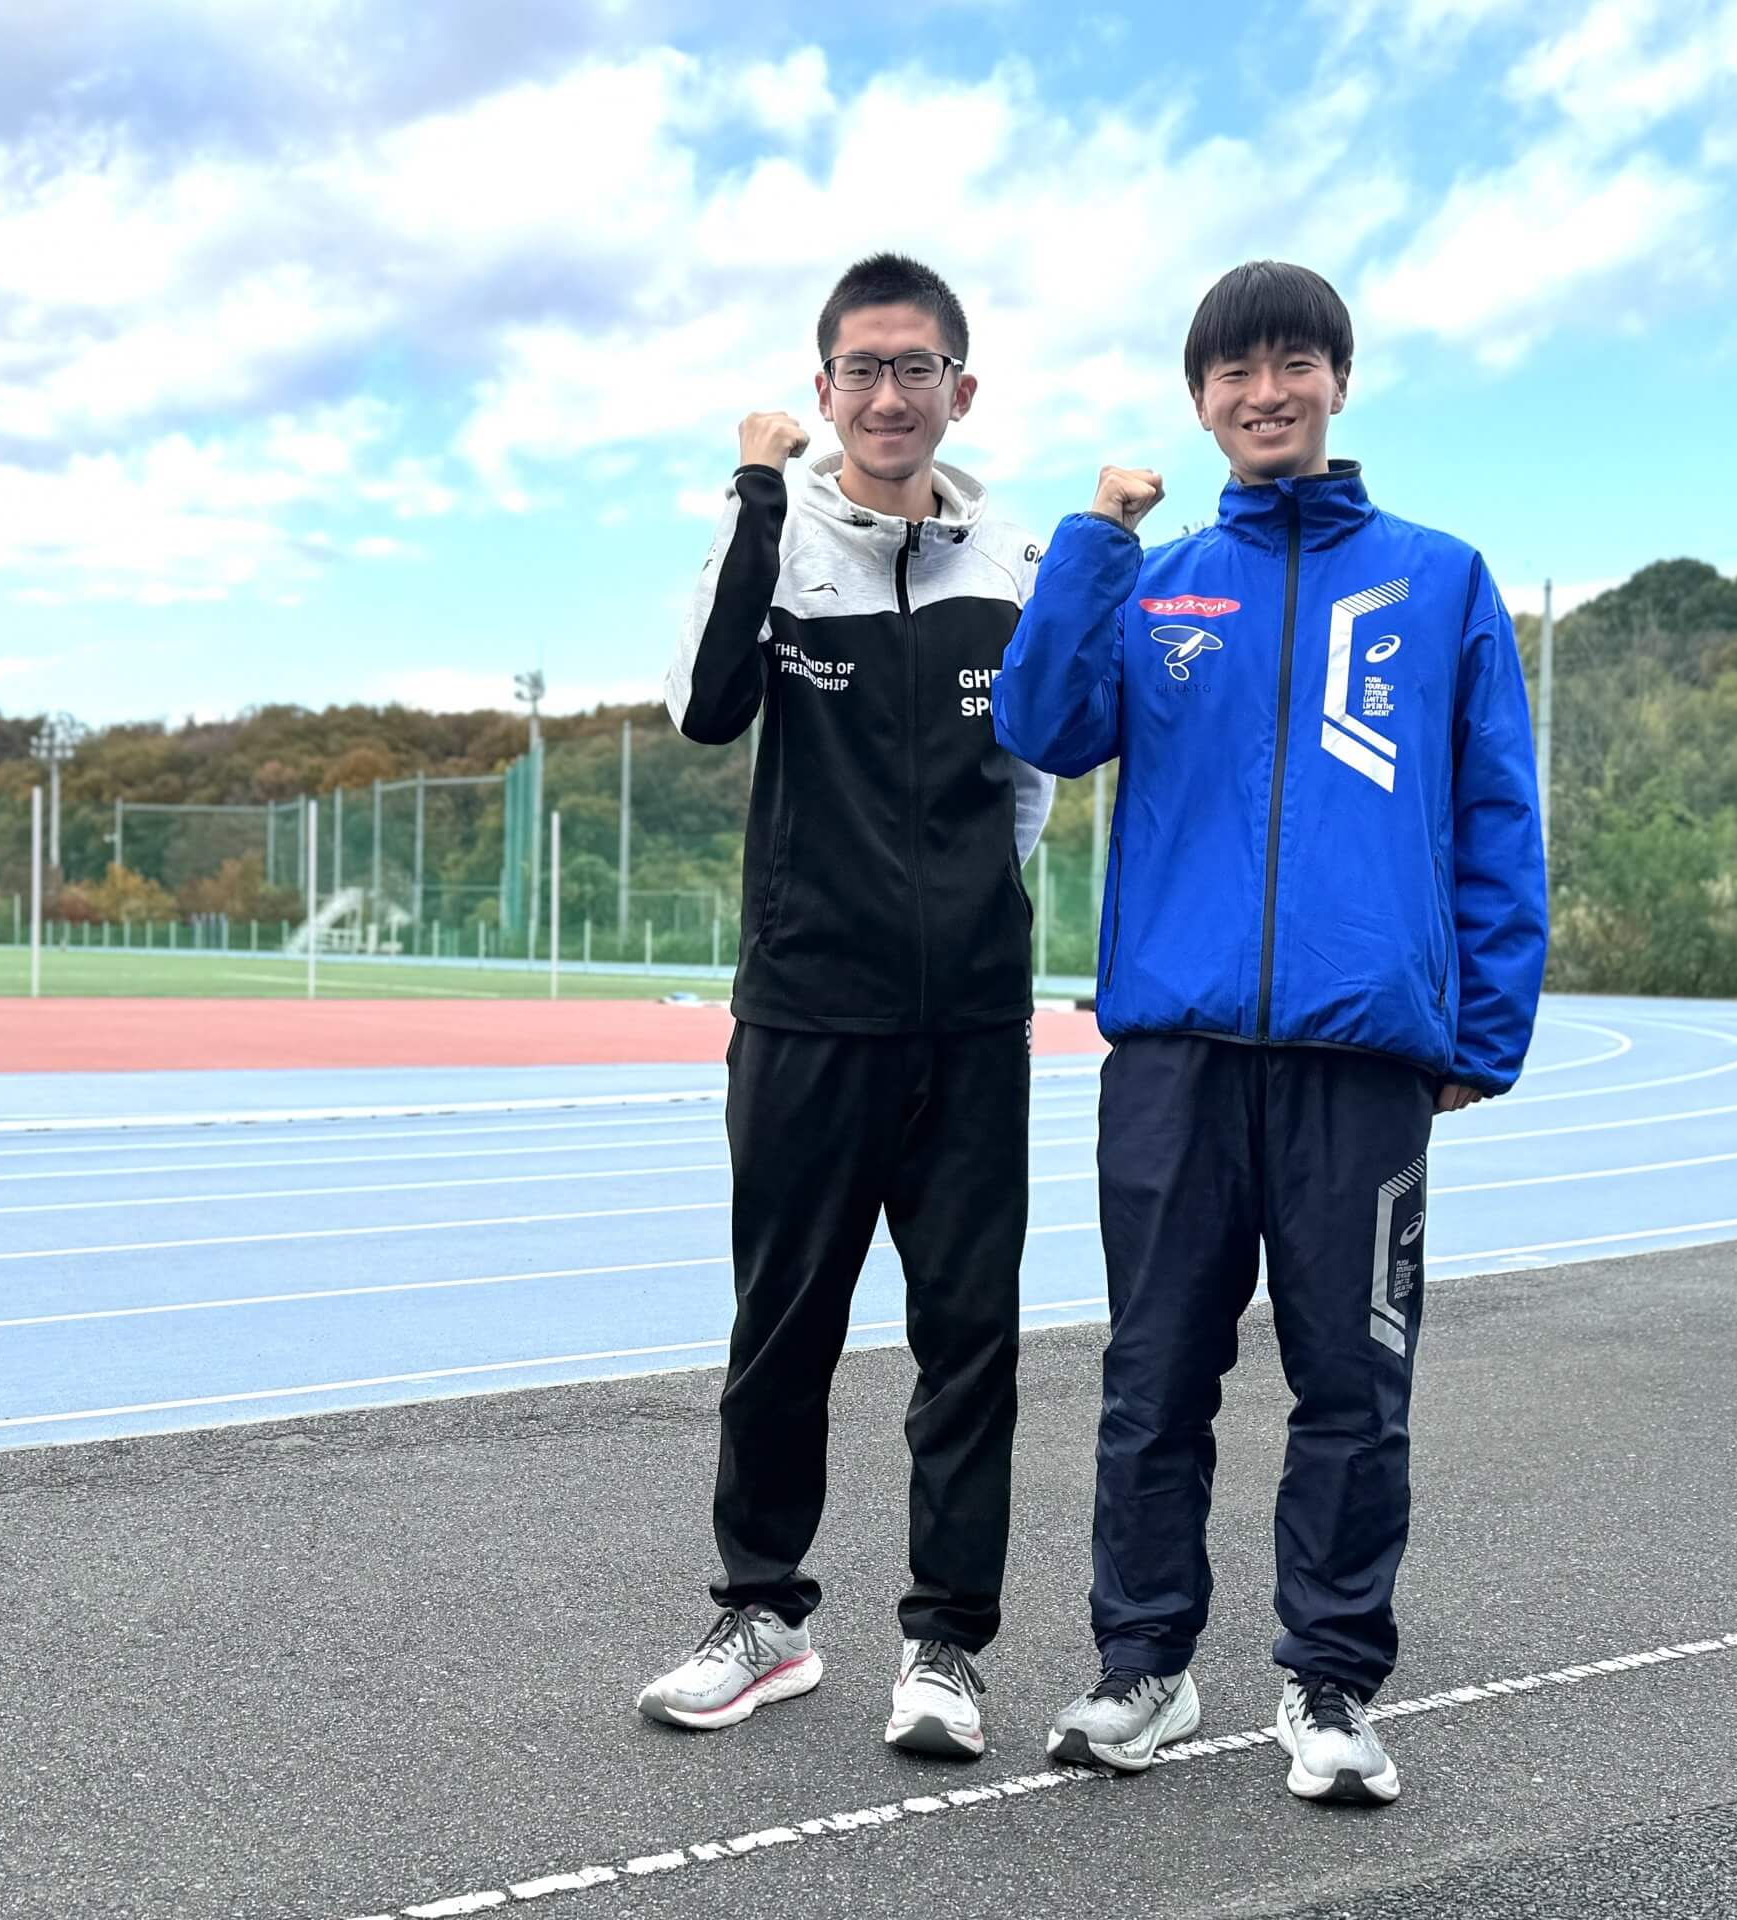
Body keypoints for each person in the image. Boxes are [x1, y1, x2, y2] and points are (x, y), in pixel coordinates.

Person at [994, 260, 1546, 1804]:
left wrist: (1479, 1028)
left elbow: (1499, 815)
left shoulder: (1439, 579)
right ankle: (1144, 1671)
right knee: (1152, 1375)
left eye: (1290, 362)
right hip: (1173, 1060)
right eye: (1232, 373)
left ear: (1338, 380)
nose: (1263, 393)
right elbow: (1037, 725)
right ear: (1199, 400)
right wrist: (1096, 544)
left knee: (1354, 1387)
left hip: (1360, 1064)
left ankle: (1329, 1689)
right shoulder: (1158, 579)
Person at [635, 253, 1053, 1762]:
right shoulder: (776, 534)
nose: (890, 395)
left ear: (961, 388)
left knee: (971, 1339)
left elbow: (1028, 794)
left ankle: (947, 1648)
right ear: (822, 395)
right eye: (861, 371)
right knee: (783, 1329)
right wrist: (758, 497)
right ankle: (761, 1617)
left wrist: (982, 952)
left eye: (916, 368)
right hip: (809, 1014)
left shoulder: (1010, 562)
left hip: (967, 1031)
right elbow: (703, 704)